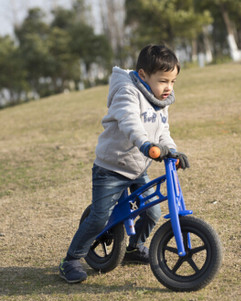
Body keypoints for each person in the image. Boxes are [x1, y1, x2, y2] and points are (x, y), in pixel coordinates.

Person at [59, 44, 189, 284]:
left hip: (138, 167)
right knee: (99, 217)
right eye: (163, 81)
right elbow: (131, 123)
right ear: (143, 75)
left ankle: (133, 248)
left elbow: (163, 131)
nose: (168, 87)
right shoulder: (126, 92)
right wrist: (145, 145)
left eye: (172, 82)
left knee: (152, 212)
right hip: (111, 168)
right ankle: (71, 259)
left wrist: (172, 150)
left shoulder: (160, 99)